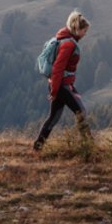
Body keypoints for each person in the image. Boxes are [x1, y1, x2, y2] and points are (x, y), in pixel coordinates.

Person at [32, 11, 92, 152]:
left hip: (61, 85)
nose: (85, 34)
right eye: (84, 31)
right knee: (81, 112)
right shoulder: (68, 45)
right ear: (77, 29)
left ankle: (37, 147)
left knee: (54, 117)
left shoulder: (64, 39)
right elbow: (58, 68)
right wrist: (55, 90)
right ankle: (90, 148)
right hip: (61, 85)